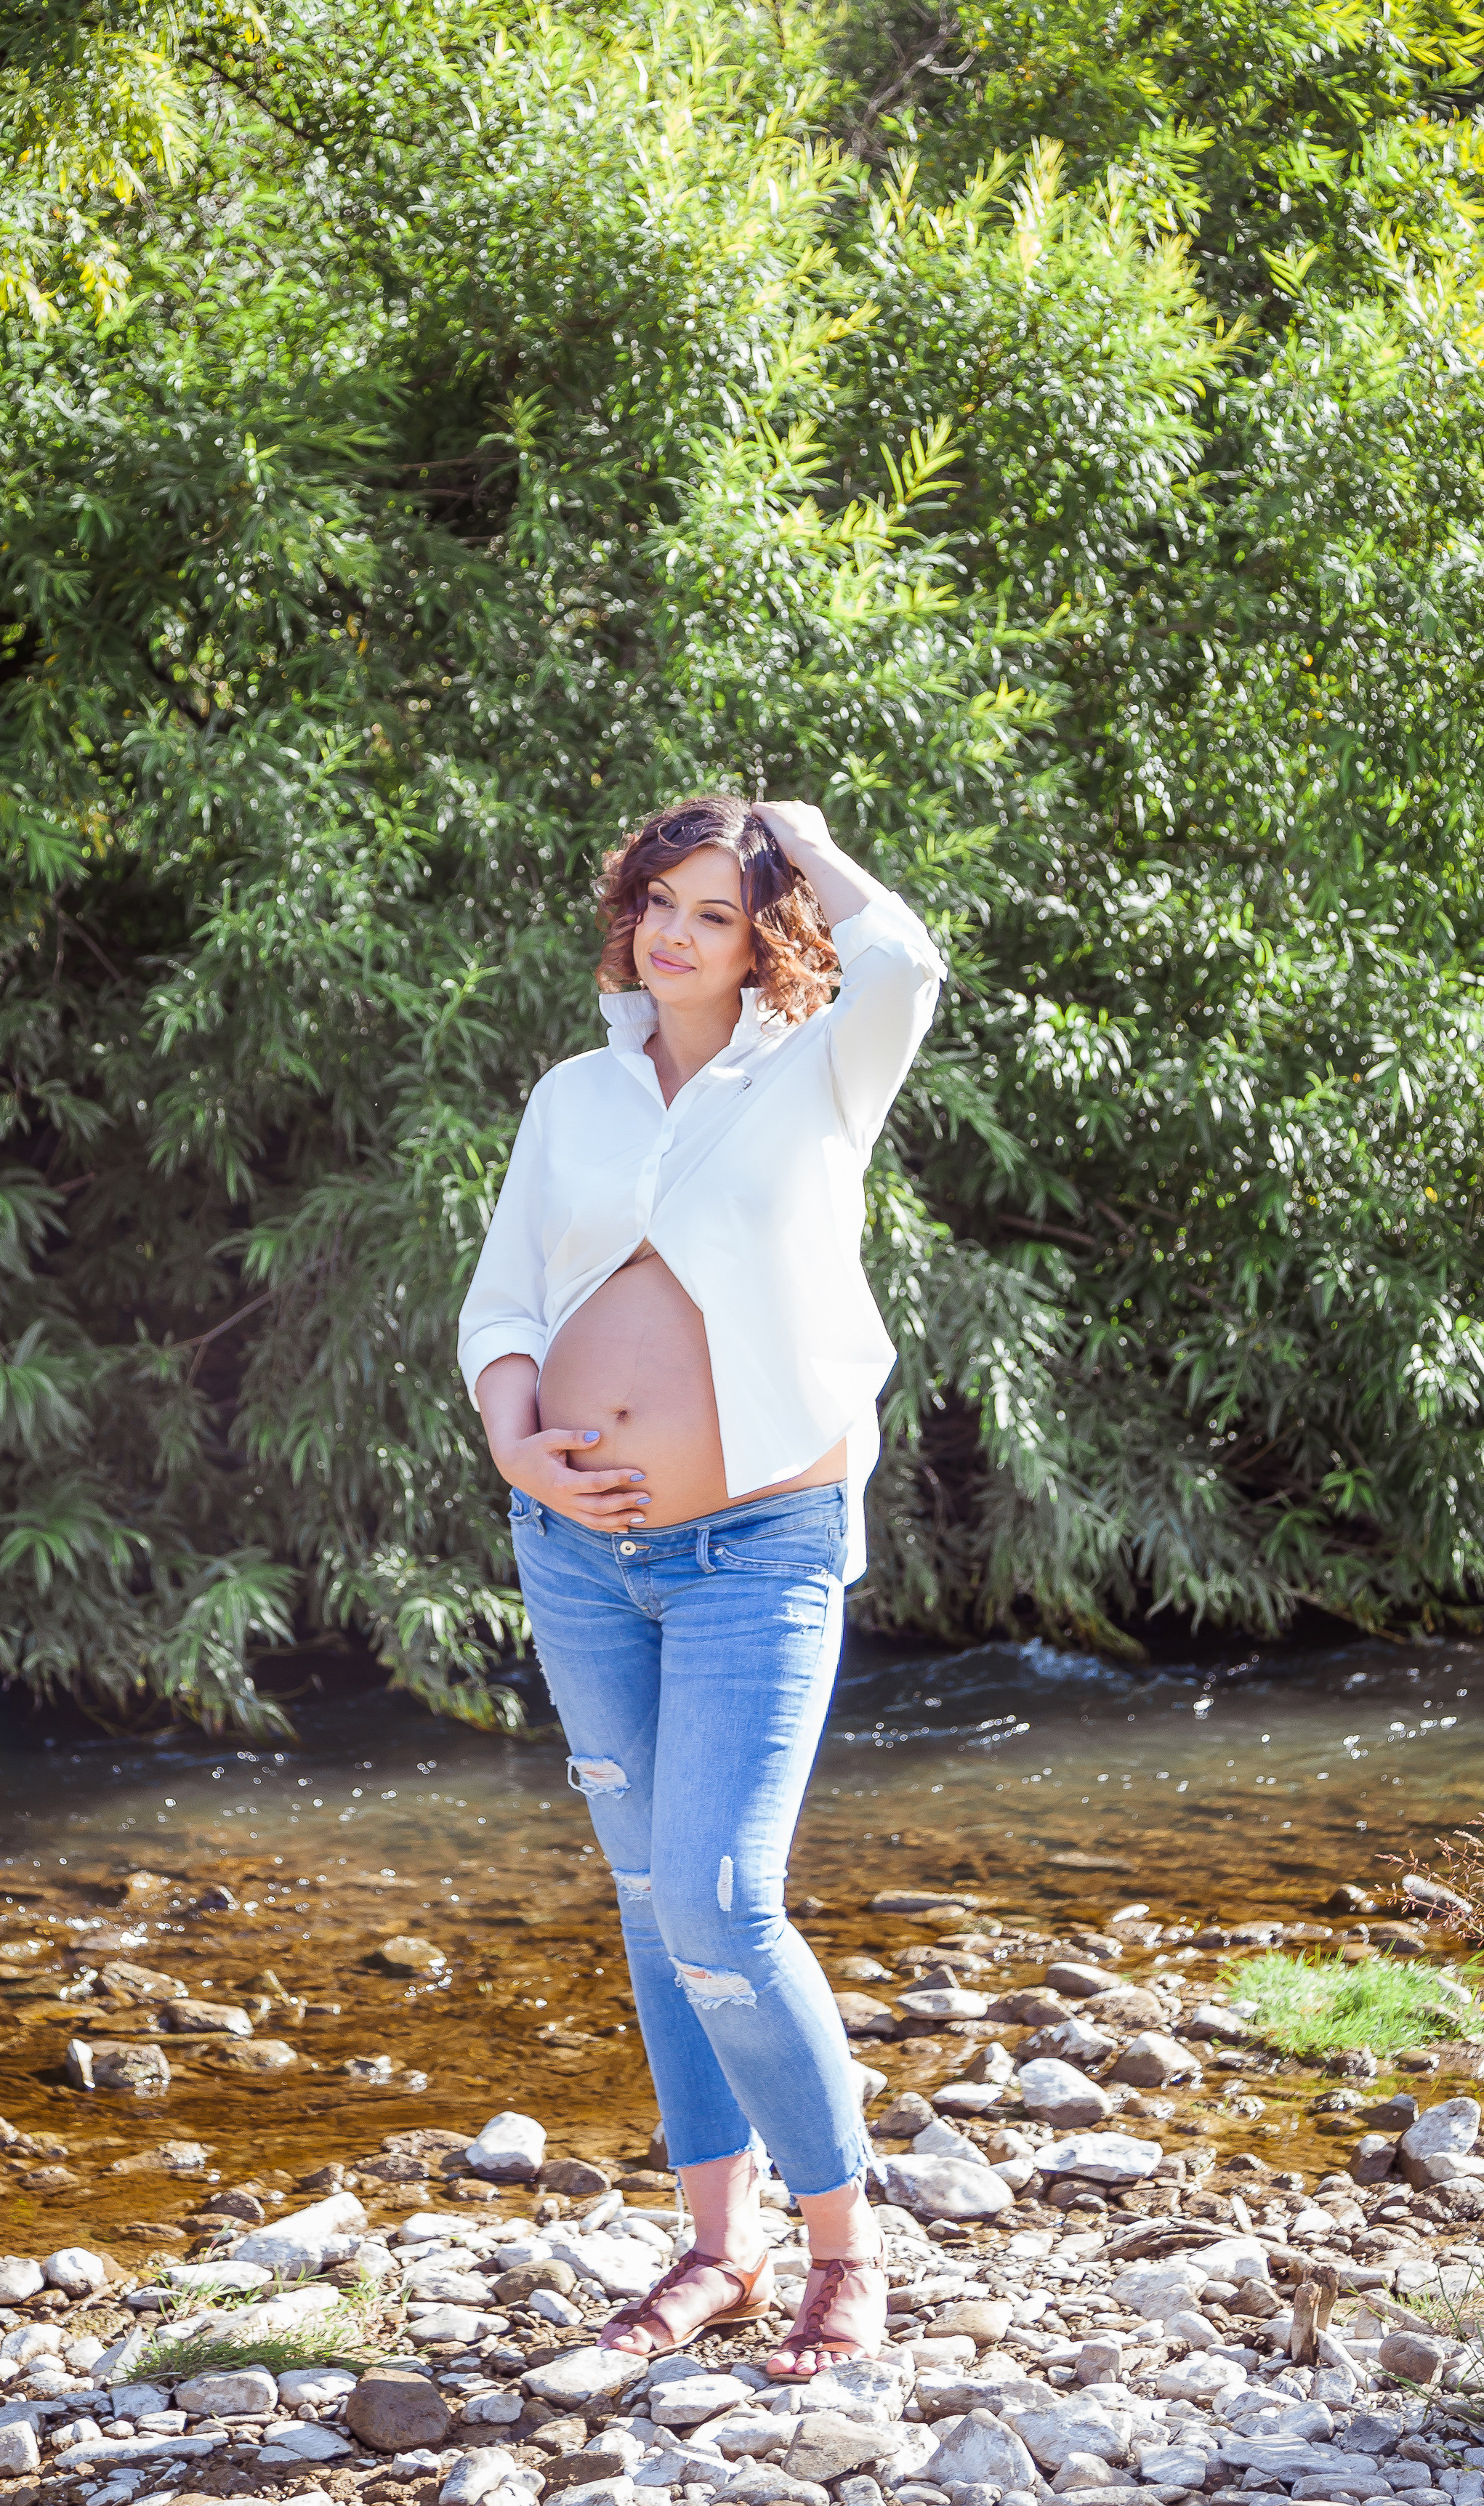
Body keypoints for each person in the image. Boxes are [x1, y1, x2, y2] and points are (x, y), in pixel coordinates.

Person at [457, 792, 944, 2370]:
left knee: (729, 1899)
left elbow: (910, 966)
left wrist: (796, 833)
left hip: (763, 1549)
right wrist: (516, 1440)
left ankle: (842, 2249)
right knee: (660, 1901)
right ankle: (718, 2252)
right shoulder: (571, 1100)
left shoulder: (817, 1073)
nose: (675, 931)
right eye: (659, 902)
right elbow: (503, 1305)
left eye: (716, 910)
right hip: (576, 1556)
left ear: (766, 931)